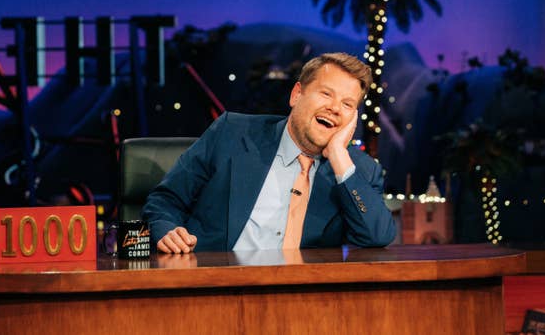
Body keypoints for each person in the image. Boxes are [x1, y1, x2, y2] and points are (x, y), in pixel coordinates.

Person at [142, 52, 396, 253]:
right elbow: (165, 201)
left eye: (347, 104)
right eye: (326, 94)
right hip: (215, 288)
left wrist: (339, 157)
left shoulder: (357, 171)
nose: (334, 108)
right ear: (297, 94)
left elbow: (377, 236)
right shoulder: (232, 133)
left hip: (299, 302)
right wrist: (168, 230)